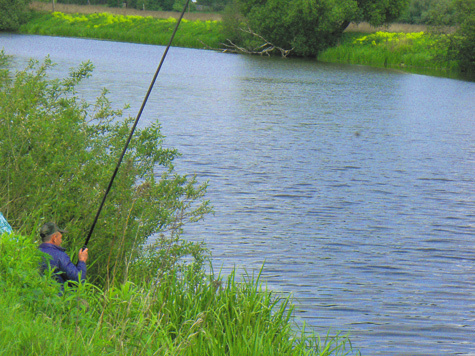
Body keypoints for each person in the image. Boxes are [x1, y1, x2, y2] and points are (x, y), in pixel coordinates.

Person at [39, 222, 88, 286]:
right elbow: (78, 279)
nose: (61, 241)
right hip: (56, 295)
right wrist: (82, 261)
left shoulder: (34, 253)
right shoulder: (60, 256)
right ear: (54, 238)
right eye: (60, 238)